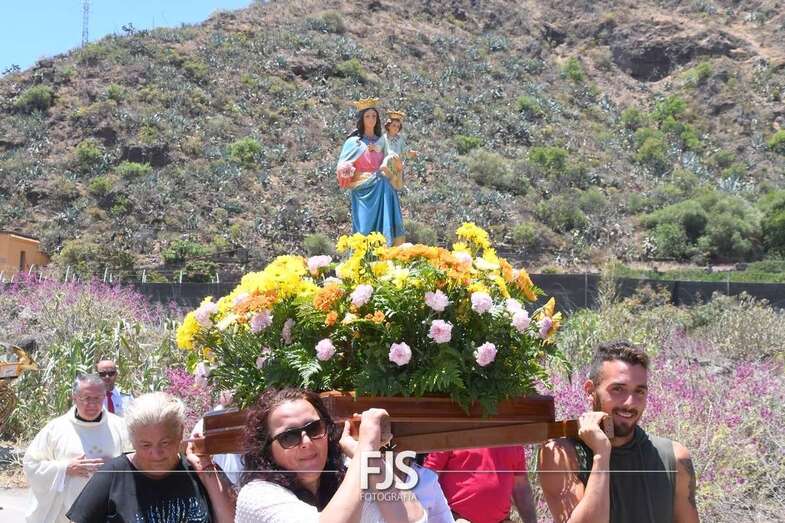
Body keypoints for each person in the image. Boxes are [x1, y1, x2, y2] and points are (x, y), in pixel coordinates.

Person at [538, 341, 700, 523]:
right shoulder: (561, 454)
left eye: (639, 392)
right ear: (590, 391)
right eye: (618, 389)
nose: (630, 403)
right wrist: (601, 454)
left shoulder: (674, 458)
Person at [235, 387, 426, 522]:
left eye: (314, 428)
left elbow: (414, 519)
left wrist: (368, 457)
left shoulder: (349, 477)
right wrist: (367, 446)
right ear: (267, 450)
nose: (307, 442)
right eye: (289, 437)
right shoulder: (256, 496)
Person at [66, 391, 236, 522]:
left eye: (165, 443)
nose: (156, 454)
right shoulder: (113, 475)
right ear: (132, 440)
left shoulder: (199, 470)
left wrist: (206, 469)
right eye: (146, 445)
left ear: (180, 433)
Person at [22, 373, 129, 523]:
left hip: (108, 510)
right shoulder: (56, 429)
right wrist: (64, 468)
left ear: (104, 396)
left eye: (97, 398)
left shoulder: (120, 427)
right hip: (64, 514)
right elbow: (31, 464)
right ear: (74, 397)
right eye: (86, 398)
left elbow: (137, 461)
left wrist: (115, 466)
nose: (92, 404)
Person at [336, 97, 406, 246]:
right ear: (362, 119)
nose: (371, 119)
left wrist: (397, 166)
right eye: (367, 116)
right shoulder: (353, 142)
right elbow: (342, 163)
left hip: (385, 189)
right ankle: (363, 256)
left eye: (374, 116)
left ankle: (386, 253)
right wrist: (347, 168)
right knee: (364, 229)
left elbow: (392, 160)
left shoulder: (382, 141)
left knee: (385, 228)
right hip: (364, 190)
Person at [423, 447, 537, 523]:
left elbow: (521, 487)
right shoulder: (454, 432)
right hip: (456, 518)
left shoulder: (512, 438)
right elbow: (428, 476)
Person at [380, 110, 417, 191]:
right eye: (394, 125)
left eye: (398, 126)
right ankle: (384, 168)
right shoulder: (384, 137)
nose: (396, 128)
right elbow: (378, 146)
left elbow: (405, 151)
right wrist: (374, 147)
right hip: (389, 161)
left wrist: (410, 153)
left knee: (398, 185)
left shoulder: (400, 139)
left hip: (397, 163)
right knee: (391, 156)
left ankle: (394, 179)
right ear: (388, 126)